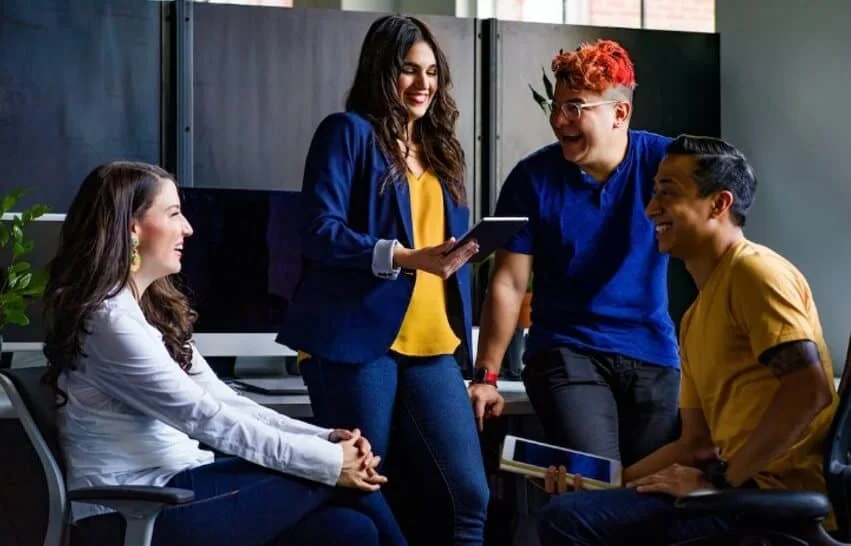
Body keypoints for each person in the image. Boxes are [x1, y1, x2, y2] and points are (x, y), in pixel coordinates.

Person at [41, 161, 408, 546]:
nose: (188, 228)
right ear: (132, 228)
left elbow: (225, 402)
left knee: (350, 532)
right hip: (134, 510)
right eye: (174, 213)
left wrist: (326, 439)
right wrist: (331, 462)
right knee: (346, 480)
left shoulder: (146, 313)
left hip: (180, 487)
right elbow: (203, 418)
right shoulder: (109, 321)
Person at [536, 135, 839, 545]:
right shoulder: (695, 316)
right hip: (735, 494)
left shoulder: (755, 274)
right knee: (574, 511)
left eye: (668, 192)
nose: (651, 208)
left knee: (568, 523)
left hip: (772, 504)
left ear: (719, 204)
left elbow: (810, 389)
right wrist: (603, 485)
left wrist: (722, 481)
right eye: (653, 191)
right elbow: (696, 443)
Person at [275, 14, 489, 546]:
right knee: (363, 486)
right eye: (409, 70)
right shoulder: (347, 133)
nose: (424, 85)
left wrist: (461, 254)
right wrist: (406, 256)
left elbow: (435, 248)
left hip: (433, 342)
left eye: (432, 72)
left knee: (471, 495)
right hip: (356, 341)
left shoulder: (441, 151)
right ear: (381, 71)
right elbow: (318, 231)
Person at [470, 39, 680, 466]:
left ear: (619, 114)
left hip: (652, 353)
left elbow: (722, 216)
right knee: (597, 481)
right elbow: (509, 284)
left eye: (575, 108)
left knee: (651, 495)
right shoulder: (532, 179)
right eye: (557, 105)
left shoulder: (666, 163)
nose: (558, 120)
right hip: (567, 352)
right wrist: (486, 377)